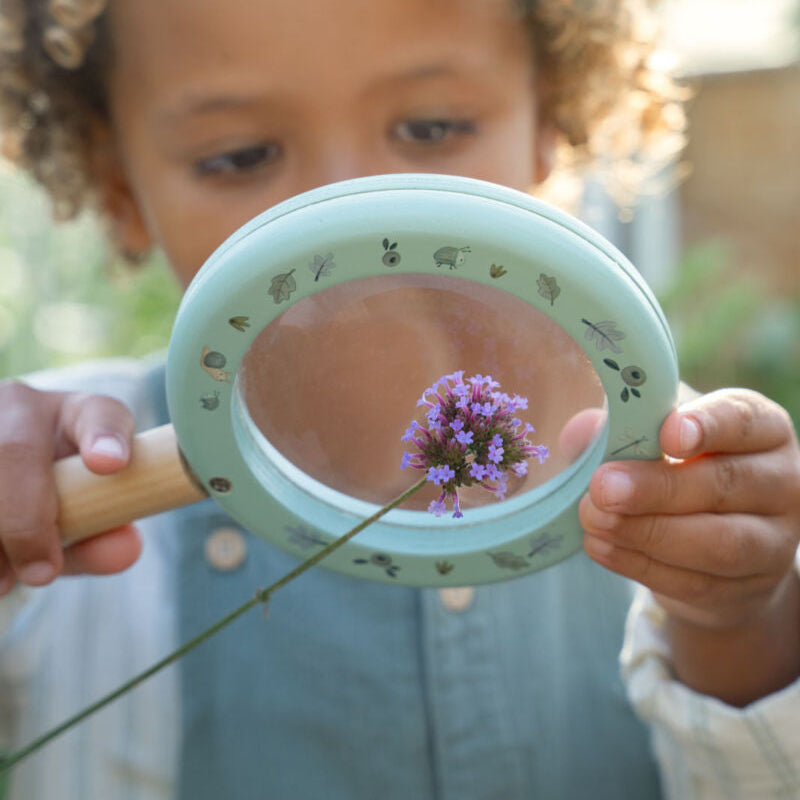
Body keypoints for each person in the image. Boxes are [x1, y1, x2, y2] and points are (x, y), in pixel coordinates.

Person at [0, 1, 799, 798]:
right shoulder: (69, 472)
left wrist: (735, 622)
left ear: (549, 128)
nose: (349, 209)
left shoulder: (666, 469)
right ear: (120, 191)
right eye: (241, 155)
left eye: (429, 128)